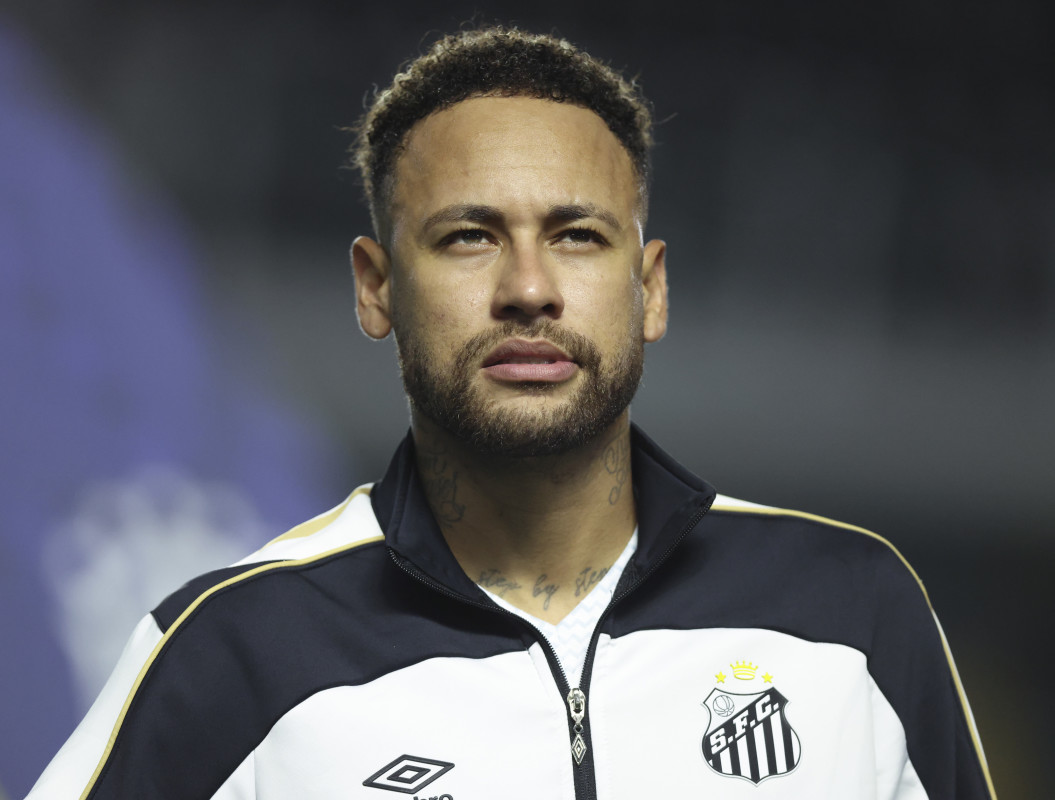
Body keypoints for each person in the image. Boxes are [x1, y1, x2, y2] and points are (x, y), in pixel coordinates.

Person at [29, 26, 996, 799]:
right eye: (468, 237)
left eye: (577, 236)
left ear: (650, 288)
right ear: (375, 288)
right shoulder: (235, 648)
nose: (528, 289)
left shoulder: (850, 616)